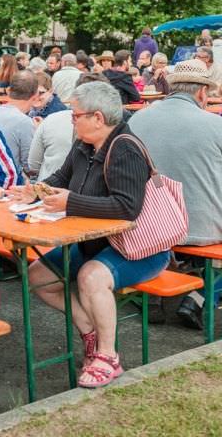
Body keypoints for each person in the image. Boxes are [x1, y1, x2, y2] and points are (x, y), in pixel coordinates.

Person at [11, 81, 170, 388]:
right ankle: (90, 332)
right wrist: (33, 192)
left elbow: (127, 208)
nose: (71, 119)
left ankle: (109, 357)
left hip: (139, 248)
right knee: (37, 277)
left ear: (98, 118)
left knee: (90, 277)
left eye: (75, 115)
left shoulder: (124, 148)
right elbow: (61, 178)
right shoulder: (84, 143)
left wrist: (70, 201)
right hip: (93, 241)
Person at [130, 59, 222, 328]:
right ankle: (198, 298)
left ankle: (154, 292)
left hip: (147, 226)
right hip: (201, 229)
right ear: (202, 93)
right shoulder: (215, 125)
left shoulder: (138, 118)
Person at [28, 72, 108, 181]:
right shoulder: (113, 130)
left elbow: (33, 165)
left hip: (51, 189)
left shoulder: (53, 119)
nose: (73, 120)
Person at [0, 70, 38, 175]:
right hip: (5, 183)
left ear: (9, 90)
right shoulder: (25, 122)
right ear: (35, 96)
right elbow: (30, 166)